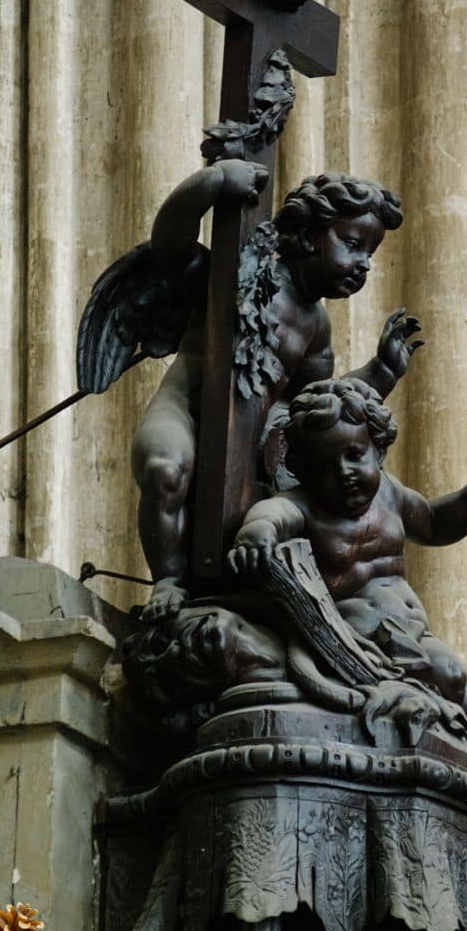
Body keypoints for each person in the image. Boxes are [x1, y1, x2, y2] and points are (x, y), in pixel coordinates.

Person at [133, 168, 423, 621]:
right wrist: (214, 183)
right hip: (185, 409)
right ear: (308, 235)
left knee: (277, 518)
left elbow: (317, 407)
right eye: (352, 244)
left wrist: (381, 372)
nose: (364, 263)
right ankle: (168, 578)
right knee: (166, 470)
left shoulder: (315, 326)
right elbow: (170, 244)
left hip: (246, 444)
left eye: (371, 252)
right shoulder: (240, 270)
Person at [227, 378, 467, 783]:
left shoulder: (389, 495)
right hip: (363, 638)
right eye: (325, 465)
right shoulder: (303, 508)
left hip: (412, 632)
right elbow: (270, 515)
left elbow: (433, 522)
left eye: (354, 455)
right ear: (303, 469)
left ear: (377, 450)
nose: (344, 472)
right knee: (451, 675)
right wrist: (256, 536)